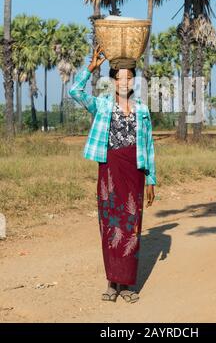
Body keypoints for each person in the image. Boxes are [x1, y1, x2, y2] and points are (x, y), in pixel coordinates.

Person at [69, 44, 156, 304]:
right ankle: (111, 282)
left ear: (134, 80)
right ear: (112, 80)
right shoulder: (102, 106)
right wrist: (90, 69)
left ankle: (128, 284)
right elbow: (75, 91)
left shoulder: (142, 109)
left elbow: (149, 145)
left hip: (135, 170)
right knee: (110, 225)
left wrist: (151, 179)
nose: (124, 81)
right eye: (119, 77)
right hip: (109, 168)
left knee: (131, 225)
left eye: (129, 76)